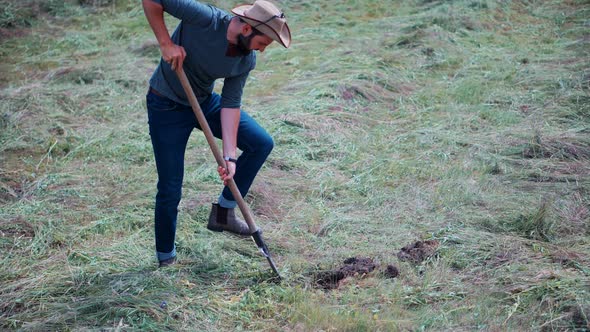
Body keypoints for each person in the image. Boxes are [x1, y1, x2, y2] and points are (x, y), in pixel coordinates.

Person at [142, 0, 291, 267]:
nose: (262, 51)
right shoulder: (205, 19)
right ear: (247, 29)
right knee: (170, 186)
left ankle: (223, 213)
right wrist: (166, 43)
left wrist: (230, 157)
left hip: (203, 101)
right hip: (166, 105)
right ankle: (166, 258)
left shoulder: (246, 59)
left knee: (260, 143)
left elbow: (231, 104)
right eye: (263, 43)